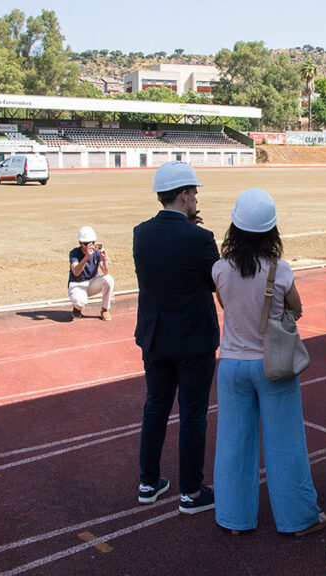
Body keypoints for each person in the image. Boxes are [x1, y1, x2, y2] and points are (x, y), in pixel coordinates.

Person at [212, 188, 326, 536]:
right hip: (273, 364)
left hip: (232, 364)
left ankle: (234, 518)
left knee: (232, 445)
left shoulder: (220, 269)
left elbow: (226, 304)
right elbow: (297, 308)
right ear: (271, 231)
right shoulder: (281, 270)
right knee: (286, 443)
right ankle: (298, 518)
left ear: (235, 228)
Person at [133, 161, 220, 513]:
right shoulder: (201, 238)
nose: (197, 199)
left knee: (155, 407)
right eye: (194, 193)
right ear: (183, 195)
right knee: (193, 414)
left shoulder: (141, 233)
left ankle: (148, 482)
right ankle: (191, 491)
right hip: (193, 340)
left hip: (155, 336)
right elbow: (216, 283)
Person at [68, 226, 114, 321]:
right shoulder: (74, 253)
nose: (89, 246)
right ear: (80, 243)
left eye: (92, 243)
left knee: (109, 279)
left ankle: (105, 309)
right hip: (77, 284)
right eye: (86, 243)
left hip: (92, 282)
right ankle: (77, 309)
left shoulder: (96, 252)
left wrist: (104, 258)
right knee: (80, 302)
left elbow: (105, 271)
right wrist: (86, 257)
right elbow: (76, 272)